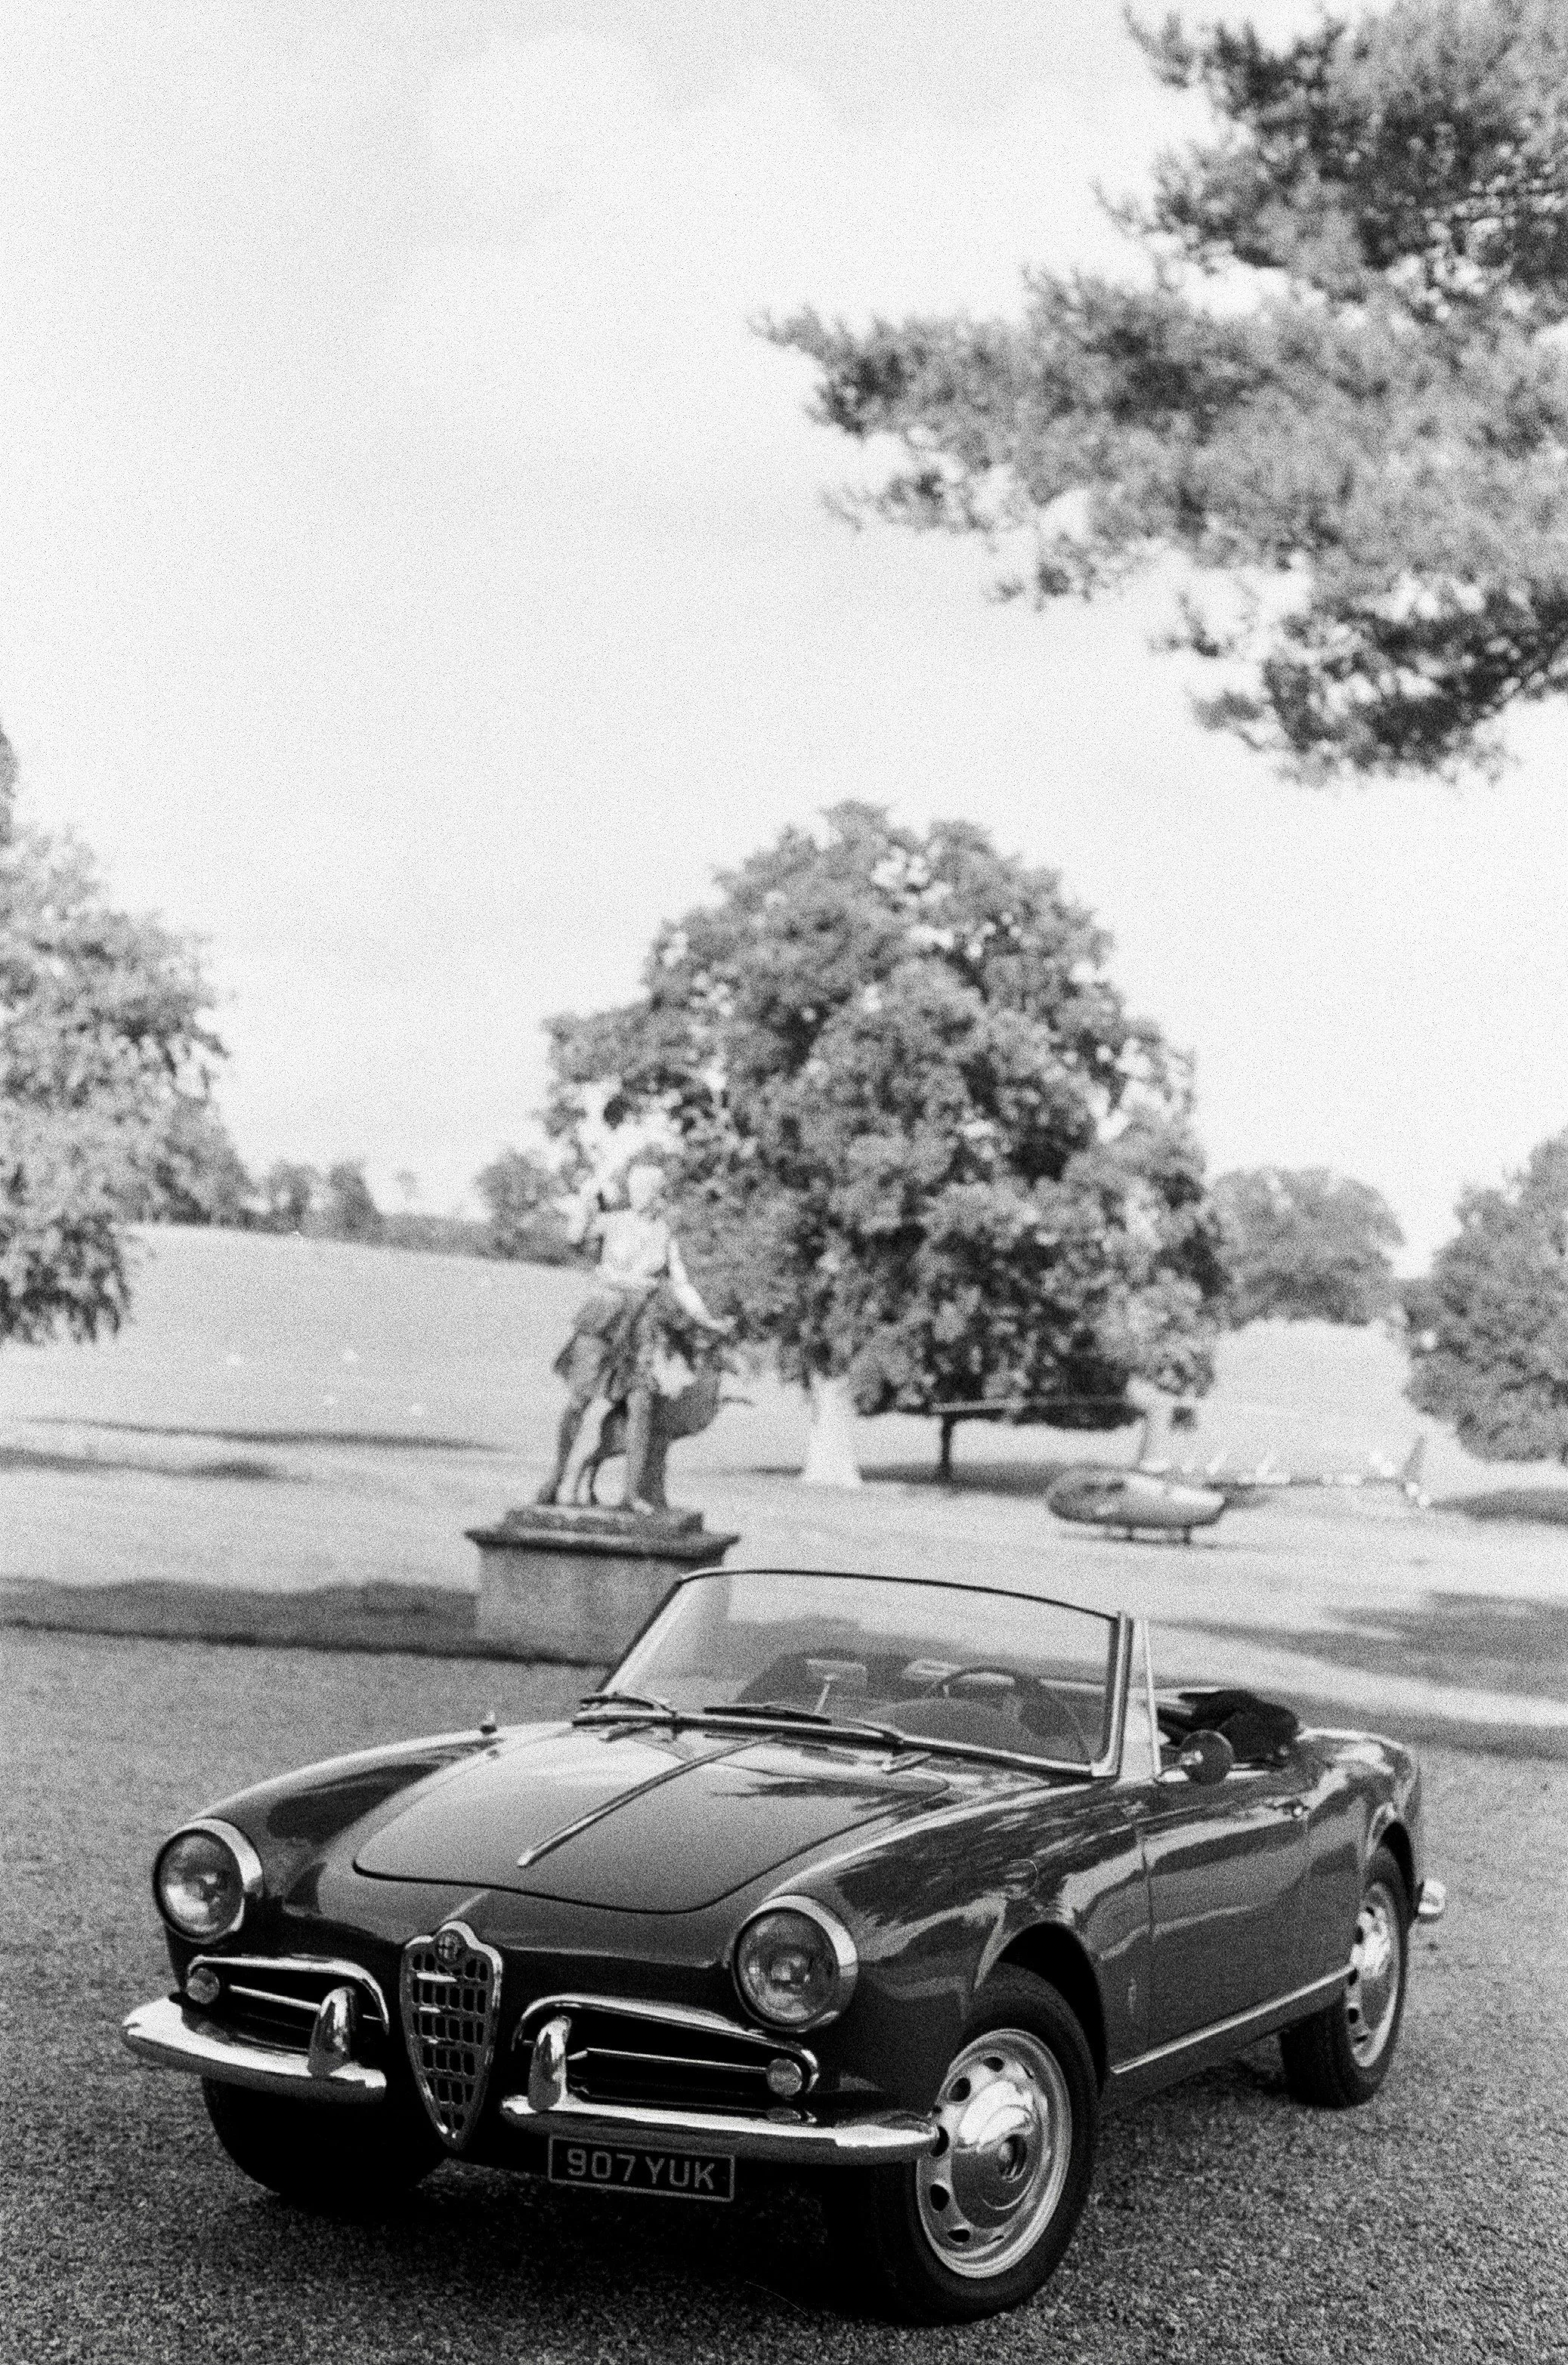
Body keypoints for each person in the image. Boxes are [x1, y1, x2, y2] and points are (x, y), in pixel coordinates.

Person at [536, 1161, 726, 1510]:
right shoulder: (614, 1221)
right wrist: (586, 1200)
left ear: (658, 1194)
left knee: (641, 1404)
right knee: (579, 1400)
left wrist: (705, 1318)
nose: (638, 1195)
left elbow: (681, 1282)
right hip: (603, 1316)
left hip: (640, 1324)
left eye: (646, 1190)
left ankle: (631, 1494)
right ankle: (555, 1477)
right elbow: (575, 1239)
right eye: (634, 1188)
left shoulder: (665, 1233)